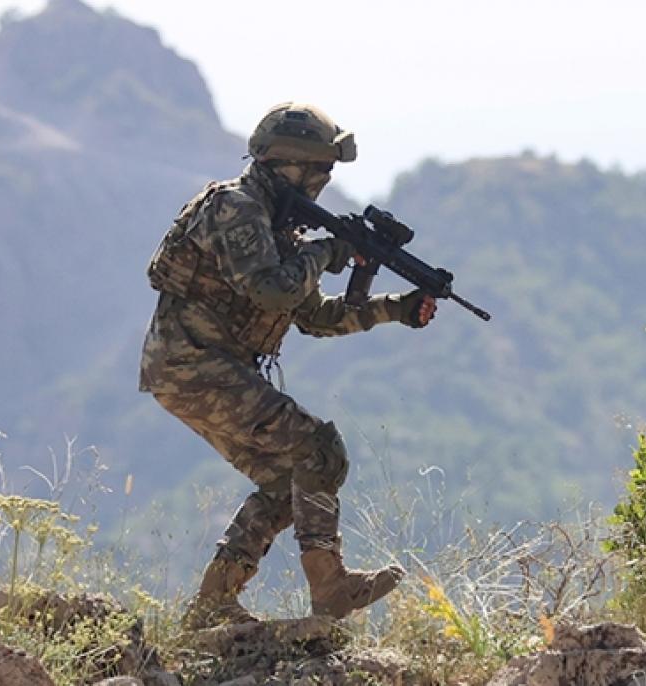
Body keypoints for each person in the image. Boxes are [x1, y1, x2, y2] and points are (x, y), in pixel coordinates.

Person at [138, 102, 436, 630]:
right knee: (319, 450)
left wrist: (398, 309)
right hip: (194, 366)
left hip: (201, 369)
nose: (323, 182)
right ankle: (332, 587)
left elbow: (316, 317)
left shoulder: (277, 228)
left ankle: (212, 604)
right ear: (288, 165)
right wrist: (328, 252)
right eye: (320, 170)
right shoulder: (237, 208)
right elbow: (272, 291)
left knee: (287, 484)